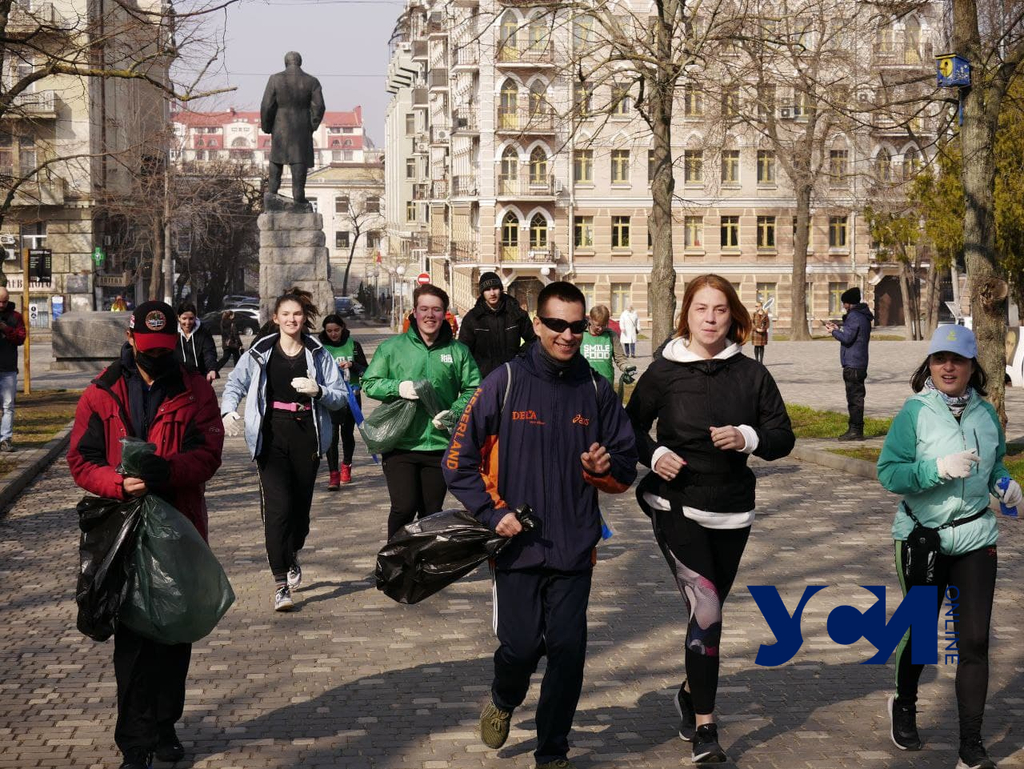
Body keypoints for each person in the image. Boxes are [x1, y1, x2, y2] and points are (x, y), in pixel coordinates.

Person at [444, 281, 637, 769]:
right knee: (522, 647)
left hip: (574, 545)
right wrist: (493, 514)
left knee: (568, 652)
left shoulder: (595, 388)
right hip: (516, 544)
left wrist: (602, 470)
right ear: (537, 324)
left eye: (576, 326)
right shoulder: (503, 382)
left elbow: (626, 465)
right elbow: (457, 461)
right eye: (557, 325)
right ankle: (504, 698)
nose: (568, 335)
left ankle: (552, 750)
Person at [625, 274, 794, 763]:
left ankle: (688, 691)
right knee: (707, 612)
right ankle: (706, 727)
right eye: (701, 309)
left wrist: (748, 437)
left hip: (733, 509)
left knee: (711, 611)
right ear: (687, 316)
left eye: (720, 309)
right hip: (676, 504)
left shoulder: (751, 375)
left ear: (733, 315)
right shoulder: (664, 371)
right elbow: (629, 427)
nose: (711, 318)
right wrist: (655, 455)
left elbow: (782, 435)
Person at [66, 301, 224, 769]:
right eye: (149, 346)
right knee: (133, 643)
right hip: (123, 530)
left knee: (174, 637)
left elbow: (209, 454)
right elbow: (81, 460)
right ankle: (135, 743)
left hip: (179, 527)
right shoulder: (101, 392)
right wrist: (117, 483)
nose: (157, 355)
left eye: (166, 348)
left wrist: (168, 470)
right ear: (132, 338)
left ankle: (165, 727)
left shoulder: (195, 389)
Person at [877, 325, 1019, 769]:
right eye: (940, 359)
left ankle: (971, 745)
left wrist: (1005, 486)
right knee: (921, 635)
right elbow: (889, 473)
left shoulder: (987, 414)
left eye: (957, 360)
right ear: (930, 366)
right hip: (924, 537)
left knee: (973, 641)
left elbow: (992, 463)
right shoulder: (914, 413)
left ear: (974, 366)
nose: (948, 367)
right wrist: (937, 467)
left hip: (976, 537)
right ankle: (903, 702)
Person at [221, 290, 347, 612]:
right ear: (275, 318)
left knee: (300, 515)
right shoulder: (260, 351)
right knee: (278, 509)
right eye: (286, 314)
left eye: (297, 314)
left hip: (307, 434)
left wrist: (319, 391)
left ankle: (291, 554)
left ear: (304, 318)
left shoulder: (319, 354)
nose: (292, 319)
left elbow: (340, 396)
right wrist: (228, 410)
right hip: (271, 434)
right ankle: (280, 583)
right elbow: (235, 383)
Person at [362, 284, 481, 539]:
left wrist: (454, 411)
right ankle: (394, 563)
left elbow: (474, 388)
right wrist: (398, 387)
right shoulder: (392, 348)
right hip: (400, 443)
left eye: (436, 309)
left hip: (439, 445)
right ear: (413, 312)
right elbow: (369, 383)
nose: (430, 315)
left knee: (431, 512)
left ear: (445, 314)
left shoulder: (457, 351)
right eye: (424, 309)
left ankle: (422, 569)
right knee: (403, 507)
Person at [260, 51, 325, 210]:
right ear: (300, 62)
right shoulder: (312, 81)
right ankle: (298, 195)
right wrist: (312, 125)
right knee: (299, 159)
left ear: (286, 63)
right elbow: (319, 107)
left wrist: (267, 126)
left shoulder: (275, 79)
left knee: (276, 158)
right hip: (302, 125)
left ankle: (272, 192)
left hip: (280, 124)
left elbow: (266, 105)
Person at [319, 313, 368, 488]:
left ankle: (346, 465)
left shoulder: (353, 345)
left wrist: (352, 365)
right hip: (330, 398)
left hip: (351, 397)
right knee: (331, 436)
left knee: (347, 434)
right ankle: (333, 473)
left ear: (343, 328)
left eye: (336, 330)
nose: (333, 334)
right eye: (329, 331)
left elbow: (366, 370)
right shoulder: (320, 347)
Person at [458, 271, 536, 378]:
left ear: (501, 289)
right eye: (487, 289)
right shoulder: (473, 318)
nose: (492, 293)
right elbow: (463, 352)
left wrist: (520, 357)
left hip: (512, 375)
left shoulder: (516, 313)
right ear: (482, 292)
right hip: (484, 379)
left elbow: (534, 339)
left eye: (495, 288)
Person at [824, 286, 873, 441]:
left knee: (854, 399)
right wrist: (838, 328)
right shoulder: (863, 316)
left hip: (853, 363)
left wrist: (833, 332)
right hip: (860, 361)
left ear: (849, 303)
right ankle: (856, 428)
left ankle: (855, 430)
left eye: (844, 303)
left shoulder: (854, 316)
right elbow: (853, 334)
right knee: (856, 397)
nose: (843, 306)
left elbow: (847, 339)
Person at [0, 287, 25, 453]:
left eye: (5, 301)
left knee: (8, 406)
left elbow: (21, 337)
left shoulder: (15, 317)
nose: (2, 304)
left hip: (8, 368)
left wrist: (5, 329)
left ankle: (5, 439)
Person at [581, 305, 629, 385]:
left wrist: (627, 368)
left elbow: (620, 358)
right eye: (598, 325)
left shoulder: (611, 335)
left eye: (604, 325)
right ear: (590, 320)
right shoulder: (581, 335)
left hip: (607, 384)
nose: (600, 328)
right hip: (585, 384)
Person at [173, 302, 218, 383]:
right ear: (178, 317)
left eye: (191, 318)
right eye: (184, 318)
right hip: (178, 379)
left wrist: (211, 369)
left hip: (201, 377)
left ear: (195, 318)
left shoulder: (204, 332)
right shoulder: (172, 333)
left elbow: (209, 352)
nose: (187, 323)